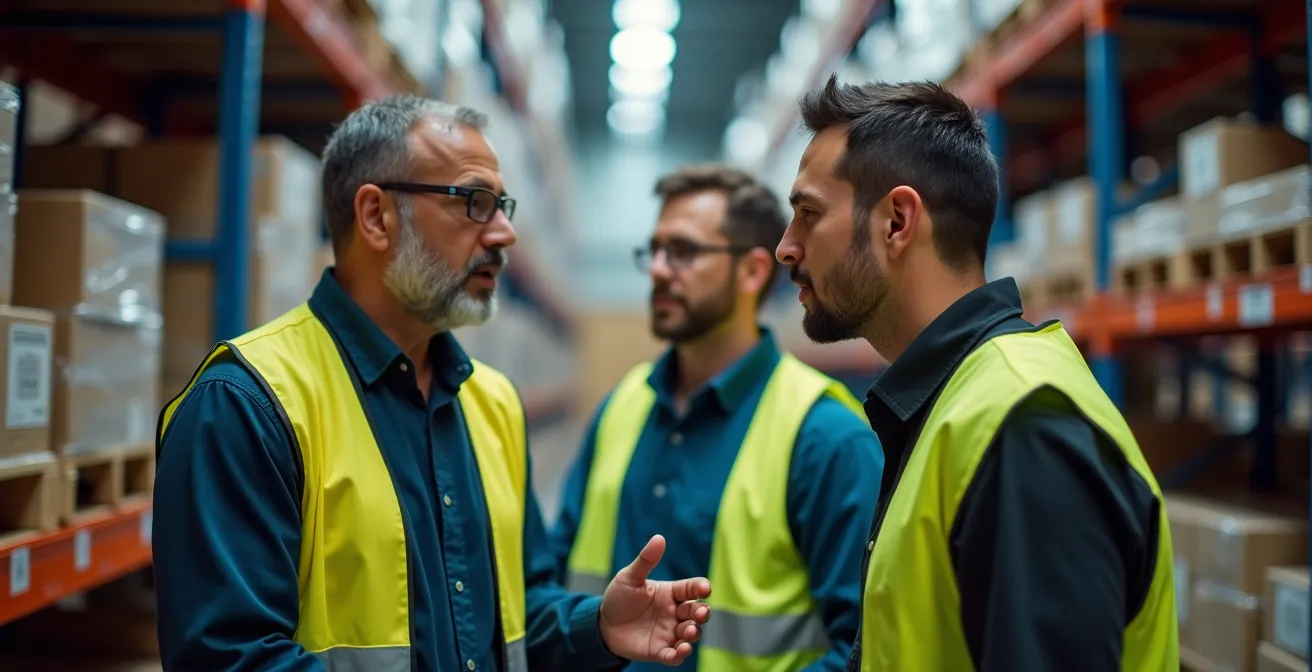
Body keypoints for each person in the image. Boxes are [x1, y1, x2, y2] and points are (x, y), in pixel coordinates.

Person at [153, 95, 712, 672]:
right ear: (376, 217)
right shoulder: (248, 404)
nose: (504, 235)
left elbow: (517, 610)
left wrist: (593, 625)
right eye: (474, 202)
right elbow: (228, 658)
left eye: (503, 206)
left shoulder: (491, 403)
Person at [774, 76, 1179, 672]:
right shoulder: (956, 404)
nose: (786, 246)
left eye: (809, 213)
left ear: (896, 222)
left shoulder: (1022, 428)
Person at [553, 164, 884, 672]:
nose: (659, 269)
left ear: (753, 271)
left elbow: (863, 649)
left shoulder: (825, 435)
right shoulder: (622, 408)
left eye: (683, 252)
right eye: (655, 250)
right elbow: (555, 582)